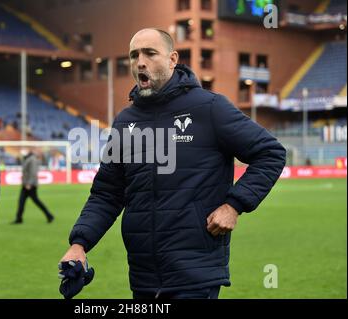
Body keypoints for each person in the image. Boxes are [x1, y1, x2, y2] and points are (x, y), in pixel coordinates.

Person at [60, 28, 286, 299]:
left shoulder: (209, 108)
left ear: (172, 59)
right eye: (134, 55)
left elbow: (271, 153)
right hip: (143, 278)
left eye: (150, 53)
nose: (140, 62)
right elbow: (107, 193)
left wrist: (234, 205)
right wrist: (79, 243)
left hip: (195, 275)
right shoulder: (125, 122)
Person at [12, 149, 55, 224]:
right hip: (26, 184)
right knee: (22, 201)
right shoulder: (30, 159)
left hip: (30, 185)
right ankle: (19, 218)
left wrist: (29, 183)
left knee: (34, 201)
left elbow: (33, 173)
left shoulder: (32, 160)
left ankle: (49, 215)